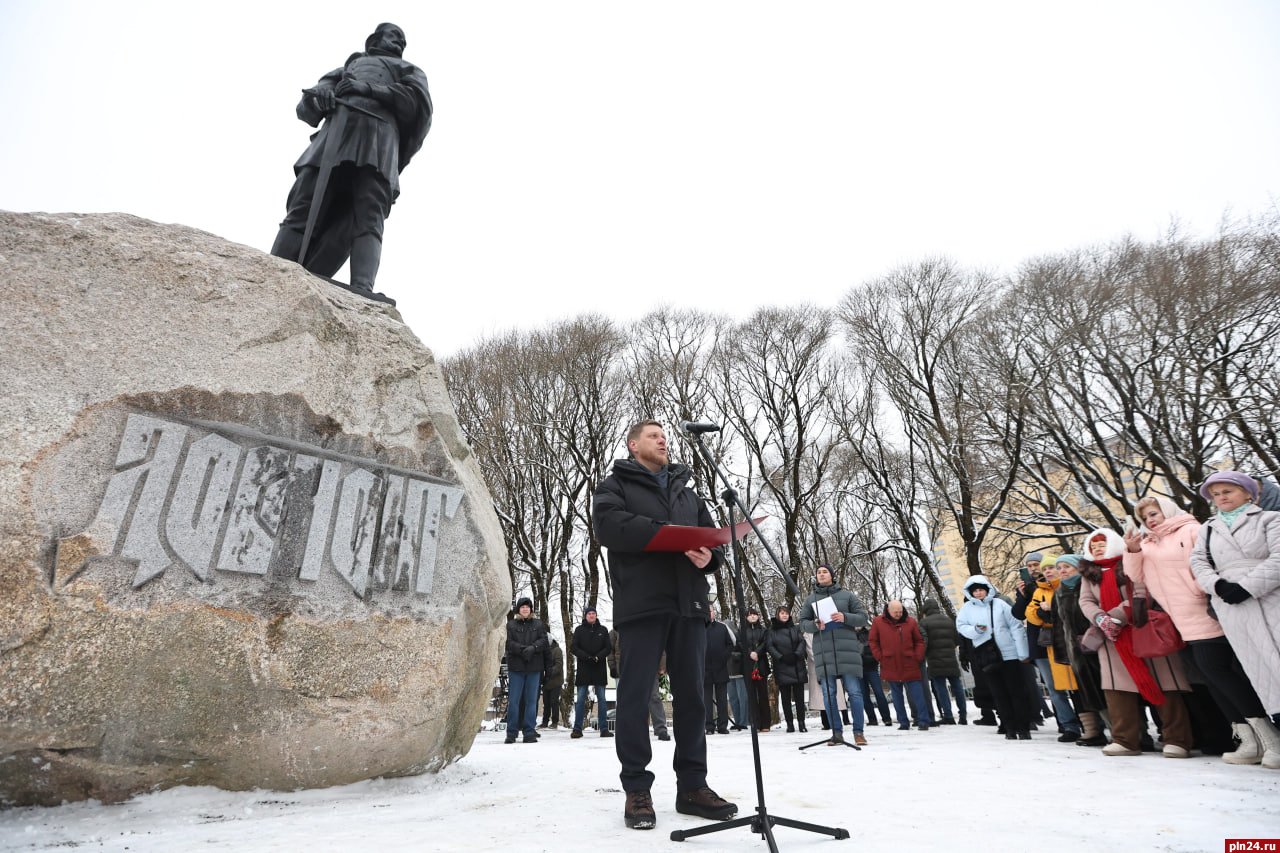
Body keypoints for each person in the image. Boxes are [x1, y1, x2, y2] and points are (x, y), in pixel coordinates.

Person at [592, 420, 737, 830]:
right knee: (635, 696)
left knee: (692, 697)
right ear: (633, 444)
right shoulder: (615, 486)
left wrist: (710, 558)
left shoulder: (687, 493)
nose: (662, 440)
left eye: (665, 437)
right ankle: (637, 789)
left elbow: (712, 539)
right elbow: (608, 526)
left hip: (690, 604)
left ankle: (693, 786)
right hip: (642, 605)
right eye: (653, 436)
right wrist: (664, 534)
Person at [270, 23, 432, 295]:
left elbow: (416, 105)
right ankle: (273, 268)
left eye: (402, 41)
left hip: (378, 142)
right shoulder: (345, 69)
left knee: (368, 214)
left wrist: (367, 89)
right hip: (332, 140)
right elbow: (306, 106)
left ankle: (362, 288)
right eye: (394, 37)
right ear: (374, 39)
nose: (400, 43)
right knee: (303, 206)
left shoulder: (409, 70)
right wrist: (321, 96)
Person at [1189, 471, 1280, 768]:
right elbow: (1198, 562)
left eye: (1228, 491)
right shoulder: (1209, 529)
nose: (1221, 497)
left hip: (1269, 599)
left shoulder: (1269, 519)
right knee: (1259, 670)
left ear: (1248, 493)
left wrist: (1247, 586)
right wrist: (1217, 586)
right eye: (1215, 494)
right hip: (1231, 605)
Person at [1078, 528, 1194, 758]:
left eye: (1102, 544)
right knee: (1118, 690)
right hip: (1111, 638)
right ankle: (1125, 740)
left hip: (1143, 629)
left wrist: (1116, 616)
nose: (1098, 549)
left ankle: (1177, 739)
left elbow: (1142, 591)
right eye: (1093, 546)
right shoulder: (1089, 574)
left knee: (1164, 684)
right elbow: (1086, 600)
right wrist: (1100, 618)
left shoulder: (1130, 562)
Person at [799, 564, 869, 746]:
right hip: (824, 652)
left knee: (854, 693)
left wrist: (845, 617)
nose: (821, 574)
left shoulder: (847, 596)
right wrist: (814, 625)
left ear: (831, 575)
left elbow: (863, 617)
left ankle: (859, 732)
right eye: (818, 572)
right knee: (829, 695)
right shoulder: (810, 600)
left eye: (825, 572)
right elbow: (802, 623)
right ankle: (836, 733)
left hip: (847, 651)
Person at [957, 576, 1031, 740]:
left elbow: (1016, 625)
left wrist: (1022, 651)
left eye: (981, 589)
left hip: (1009, 654)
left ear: (987, 589)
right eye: (975, 590)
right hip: (987, 656)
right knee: (999, 694)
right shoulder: (967, 609)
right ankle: (1009, 727)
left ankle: (1023, 727)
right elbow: (961, 626)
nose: (978, 593)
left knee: (1016, 691)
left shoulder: (999, 604)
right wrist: (975, 630)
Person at [1025, 558, 1084, 742]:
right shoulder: (1039, 591)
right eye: (1046, 569)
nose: (1049, 571)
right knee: (1055, 688)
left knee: (1079, 686)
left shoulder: (1069, 587)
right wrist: (1040, 613)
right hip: (1050, 644)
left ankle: (1091, 724)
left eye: (1053, 567)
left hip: (1073, 642)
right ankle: (1069, 725)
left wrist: (1053, 611)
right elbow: (1030, 614)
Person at [869, 601, 931, 731]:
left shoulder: (911, 622)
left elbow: (919, 641)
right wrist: (880, 657)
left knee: (918, 694)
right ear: (888, 610)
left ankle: (924, 721)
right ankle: (903, 722)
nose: (898, 614)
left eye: (900, 611)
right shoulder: (878, 622)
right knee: (896, 696)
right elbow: (873, 641)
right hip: (889, 663)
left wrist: (918, 656)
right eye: (895, 612)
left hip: (910, 662)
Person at [505, 597, 549, 744]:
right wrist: (521, 649)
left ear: (531, 609)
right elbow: (508, 642)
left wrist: (533, 648)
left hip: (534, 668)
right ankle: (511, 733)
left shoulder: (538, 624)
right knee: (514, 701)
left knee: (531, 702)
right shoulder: (511, 625)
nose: (525, 609)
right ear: (518, 609)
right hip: (516, 668)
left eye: (528, 607)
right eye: (522, 607)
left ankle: (529, 732)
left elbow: (544, 641)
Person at [919, 598, 966, 725]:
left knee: (941, 688)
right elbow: (956, 640)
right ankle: (963, 716)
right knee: (957, 687)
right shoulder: (948, 620)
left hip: (934, 660)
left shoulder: (924, 622)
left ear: (925, 609)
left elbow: (923, 642)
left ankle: (948, 716)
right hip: (951, 658)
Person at [571, 606, 613, 739]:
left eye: (593, 613)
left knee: (602, 699)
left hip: (599, 667)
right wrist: (586, 657)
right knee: (580, 699)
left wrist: (597, 657)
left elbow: (608, 648)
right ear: (585, 615)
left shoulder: (603, 630)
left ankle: (604, 729)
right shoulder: (579, 630)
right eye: (589, 613)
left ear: (596, 615)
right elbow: (574, 647)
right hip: (584, 668)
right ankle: (577, 729)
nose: (591, 615)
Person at [766, 606, 809, 732]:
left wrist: (796, 654)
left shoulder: (795, 628)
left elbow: (802, 642)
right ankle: (790, 724)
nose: (785, 615)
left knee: (799, 698)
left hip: (797, 665)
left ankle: (801, 723)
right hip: (782, 666)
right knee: (785, 698)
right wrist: (781, 657)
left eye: (786, 613)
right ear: (778, 615)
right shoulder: (772, 631)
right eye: (782, 613)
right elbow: (770, 646)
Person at [738, 607, 774, 731]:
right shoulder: (742, 631)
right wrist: (750, 653)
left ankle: (766, 724)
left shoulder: (764, 630)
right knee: (752, 696)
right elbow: (740, 644)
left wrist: (757, 652)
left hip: (761, 664)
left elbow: (766, 643)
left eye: (754, 614)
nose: (752, 616)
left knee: (763, 694)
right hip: (748, 666)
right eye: (750, 615)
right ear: (746, 617)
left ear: (758, 616)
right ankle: (755, 723)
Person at [856, 625, 893, 726]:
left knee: (879, 693)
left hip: (871, 668)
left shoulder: (870, 633)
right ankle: (872, 719)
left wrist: (872, 659)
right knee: (864, 695)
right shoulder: (850, 635)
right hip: (858, 670)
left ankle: (887, 718)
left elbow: (875, 649)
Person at [704, 608, 734, 735]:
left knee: (722, 699)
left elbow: (730, 644)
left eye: (711, 611)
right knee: (706, 700)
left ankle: (722, 726)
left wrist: (723, 657)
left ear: (714, 613)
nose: (709, 613)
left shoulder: (722, 628)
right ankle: (709, 726)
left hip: (720, 668)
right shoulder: (699, 628)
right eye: (706, 611)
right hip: (704, 669)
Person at [540, 638, 564, 729]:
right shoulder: (544, 651)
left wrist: (548, 673)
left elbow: (558, 665)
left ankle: (554, 722)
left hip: (555, 681)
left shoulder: (557, 650)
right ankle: (545, 722)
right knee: (546, 703)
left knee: (554, 702)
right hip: (546, 681)